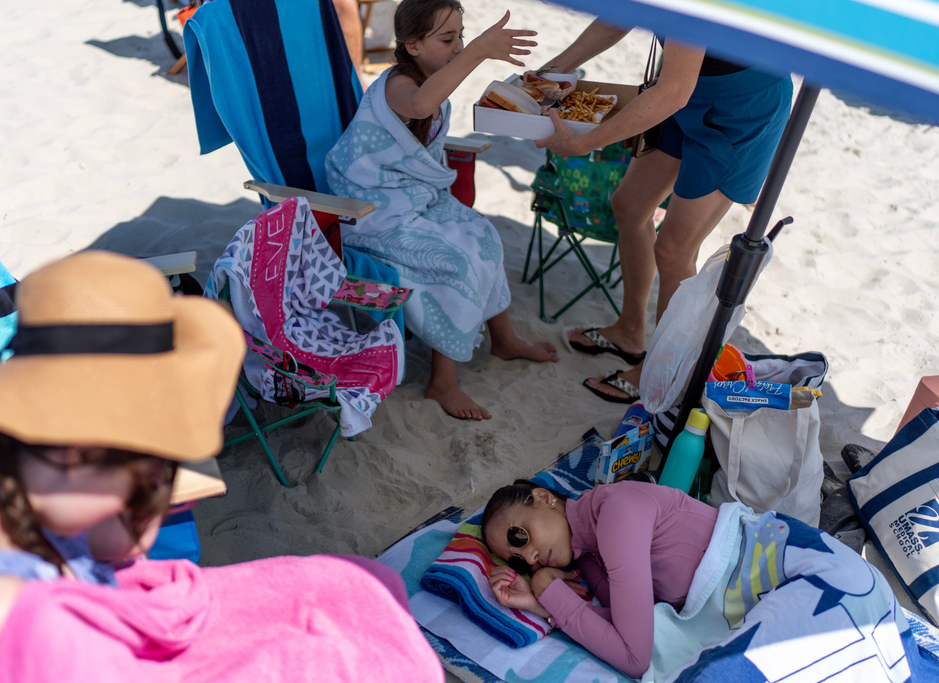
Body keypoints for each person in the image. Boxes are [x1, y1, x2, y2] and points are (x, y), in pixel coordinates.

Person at [0, 251, 443, 683]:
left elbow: (101, 534)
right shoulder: (12, 629)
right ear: (78, 450)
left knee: (362, 587)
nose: (154, 512)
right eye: (150, 487)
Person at [534, 20, 792, 404]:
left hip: (741, 106)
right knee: (630, 205)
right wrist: (553, 71)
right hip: (686, 86)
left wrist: (583, 143)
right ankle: (629, 330)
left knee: (674, 250)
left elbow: (672, 91)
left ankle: (660, 370)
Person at [326, 0, 559, 421]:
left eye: (462, 37)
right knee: (451, 260)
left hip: (414, 199)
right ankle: (442, 381)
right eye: (448, 39)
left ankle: (503, 339)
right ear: (412, 45)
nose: (458, 47)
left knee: (483, 233)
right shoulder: (399, 85)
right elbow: (418, 107)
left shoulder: (433, 80)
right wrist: (479, 51)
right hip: (369, 212)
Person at [480, 479, 913, 679]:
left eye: (520, 535)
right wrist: (544, 603)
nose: (530, 556)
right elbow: (639, 622)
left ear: (544, 497)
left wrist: (547, 590)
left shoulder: (615, 509)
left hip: (794, 566)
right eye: (518, 561)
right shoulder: (590, 557)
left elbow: (634, 656)